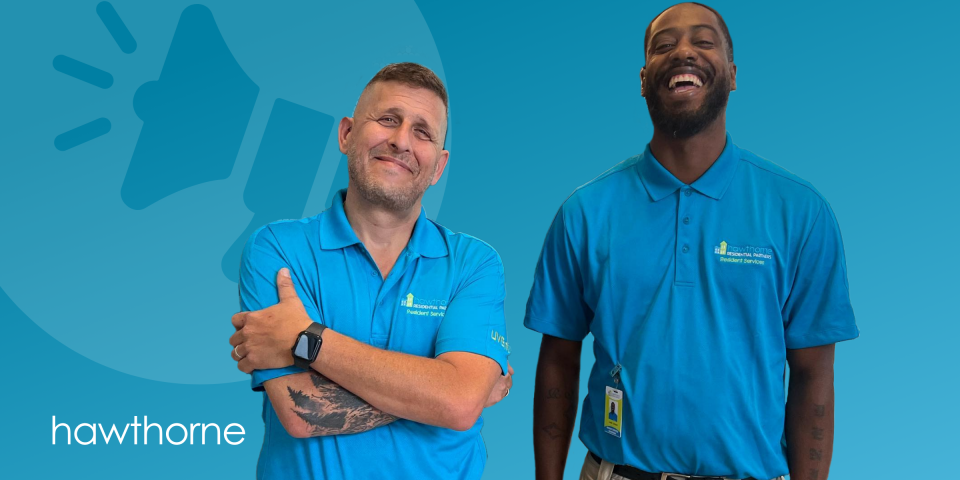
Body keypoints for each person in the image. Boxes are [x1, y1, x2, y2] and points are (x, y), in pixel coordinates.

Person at [525, 3, 858, 480]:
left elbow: (813, 376)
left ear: (733, 73)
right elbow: (558, 359)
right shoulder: (584, 213)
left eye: (703, 42)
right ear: (643, 79)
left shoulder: (800, 213)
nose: (683, 52)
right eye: (664, 45)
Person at [229, 62, 513, 480]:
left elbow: (458, 403)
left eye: (423, 132)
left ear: (438, 166)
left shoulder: (474, 263)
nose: (401, 141)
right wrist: (442, 394)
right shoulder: (277, 250)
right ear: (346, 134)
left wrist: (306, 340)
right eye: (388, 120)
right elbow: (302, 411)